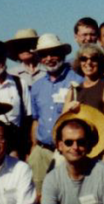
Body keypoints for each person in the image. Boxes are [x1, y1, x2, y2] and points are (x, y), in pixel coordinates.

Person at [26, 33, 82, 195]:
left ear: (63, 54)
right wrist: (34, 148)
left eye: (53, 53)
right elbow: (36, 120)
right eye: (44, 54)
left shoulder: (77, 81)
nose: (49, 58)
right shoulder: (36, 87)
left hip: (67, 151)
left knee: (67, 194)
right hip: (41, 150)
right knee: (39, 196)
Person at [63, 44, 104, 167]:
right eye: (84, 59)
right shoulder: (73, 90)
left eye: (94, 59)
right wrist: (68, 109)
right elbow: (62, 122)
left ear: (100, 62)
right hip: (76, 151)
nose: (89, 63)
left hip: (98, 149)